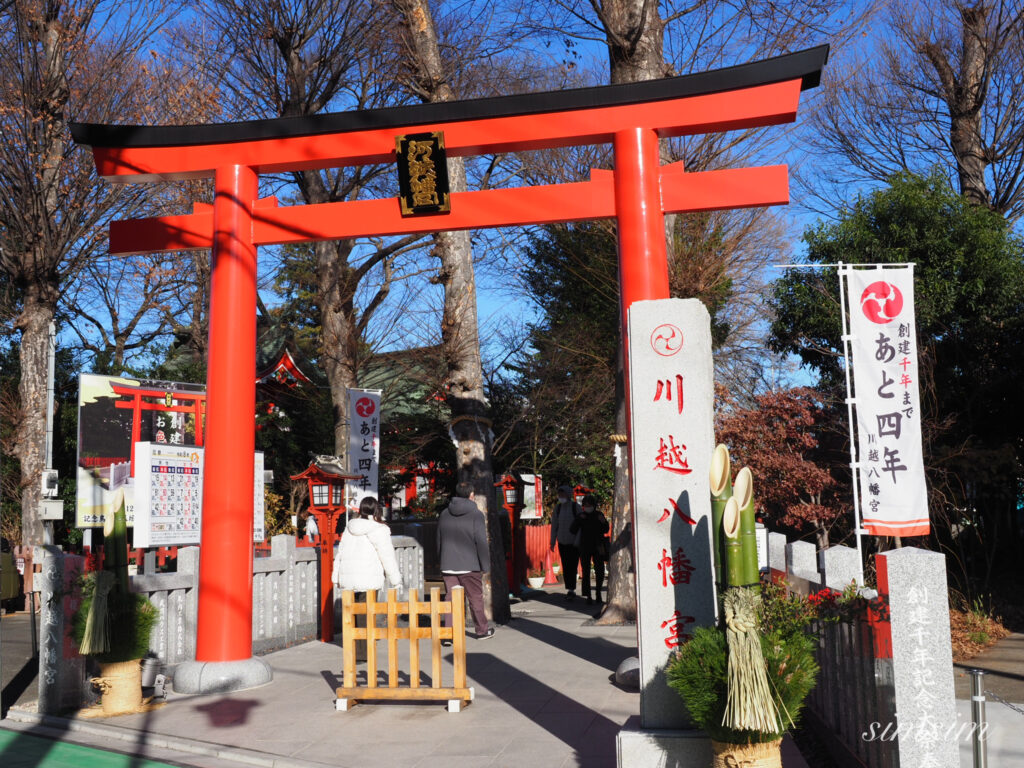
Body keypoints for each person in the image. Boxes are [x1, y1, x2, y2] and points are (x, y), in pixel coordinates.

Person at [437, 481, 493, 640]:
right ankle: (482, 631)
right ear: (471, 495)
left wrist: (441, 560)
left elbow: (439, 540)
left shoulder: (444, 514)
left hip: (448, 564)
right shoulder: (476, 514)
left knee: (450, 599)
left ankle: (448, 634)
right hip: (470, 565)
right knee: (475, 598)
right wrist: (485, 565)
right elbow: (481, 541)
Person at [332, 497, 402, 594]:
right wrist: (396, 581)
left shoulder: (350, 527)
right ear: (377, 510)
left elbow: (340, 554)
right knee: (368, 608)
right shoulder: (379, 528)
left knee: (351, 609)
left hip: (348, 581)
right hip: (370, 580)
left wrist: (336, 579)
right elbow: (387, 556)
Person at [571, 494, 609, 606]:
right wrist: (578, 520)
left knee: (600, 571)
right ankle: (588, 595)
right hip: (585, 546)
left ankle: (598, 592)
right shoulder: (581, 516)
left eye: (589, 505)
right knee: (586, 571)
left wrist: (603, 521)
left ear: (594, 505)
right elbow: (572, 530)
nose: (587, 507)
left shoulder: (599, 515)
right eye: (585, 505)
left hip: (598, 546)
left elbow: (606, 529)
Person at [550, 485, 582, 601]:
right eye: (559, 495)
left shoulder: (576, 507)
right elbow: (554, 526)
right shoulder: (557, 508)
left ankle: (571, 589)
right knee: (565, 565)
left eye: (562, 495)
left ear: (568, 495)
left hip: (574, 542)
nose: (560, 497)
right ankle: (569, 588)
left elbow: (580, 526)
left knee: (572, 565)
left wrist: (577, 540)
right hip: (562, 542)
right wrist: (552, 542)